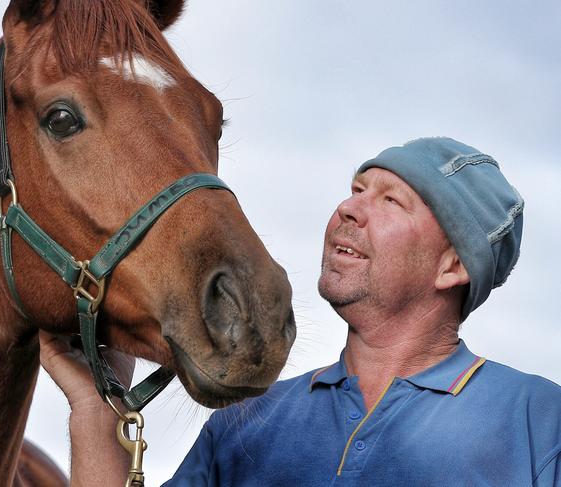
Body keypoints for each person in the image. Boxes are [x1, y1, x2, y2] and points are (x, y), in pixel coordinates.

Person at [41, 137, 561, 486]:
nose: (348, 208)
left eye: (391, 201)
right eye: (356, 190)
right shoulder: (246, 422)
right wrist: (94, 406)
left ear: (452, 265)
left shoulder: (540, 423)